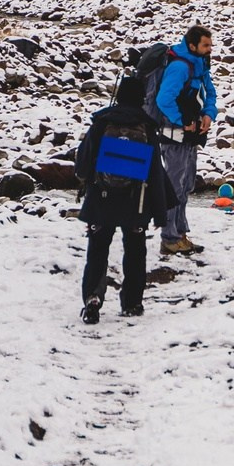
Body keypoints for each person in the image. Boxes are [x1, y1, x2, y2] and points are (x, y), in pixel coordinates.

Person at [72, 72, 178, 323]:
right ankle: (131, 303)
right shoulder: (147, 127)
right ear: (141, 98)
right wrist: (160, 210)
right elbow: (154, 170)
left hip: (102, 197)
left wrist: (86, 180)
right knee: (135, 251)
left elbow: (83, 164)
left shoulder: (101, 122)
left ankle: (92, 298)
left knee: (97, 250)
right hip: (136, 200)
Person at [151, 25, 218, 254]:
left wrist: (209, 114)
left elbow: (210, 92)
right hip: (174, 137)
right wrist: (181, 121)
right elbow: (164, 99)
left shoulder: (200, 65)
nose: (210, 49)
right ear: (192, 46)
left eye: (210, 45)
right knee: (174, 188)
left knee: (186, 185)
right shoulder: (180, 67)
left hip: (190, 137)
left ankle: (180, 233)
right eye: (206, 45)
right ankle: (169, 238)